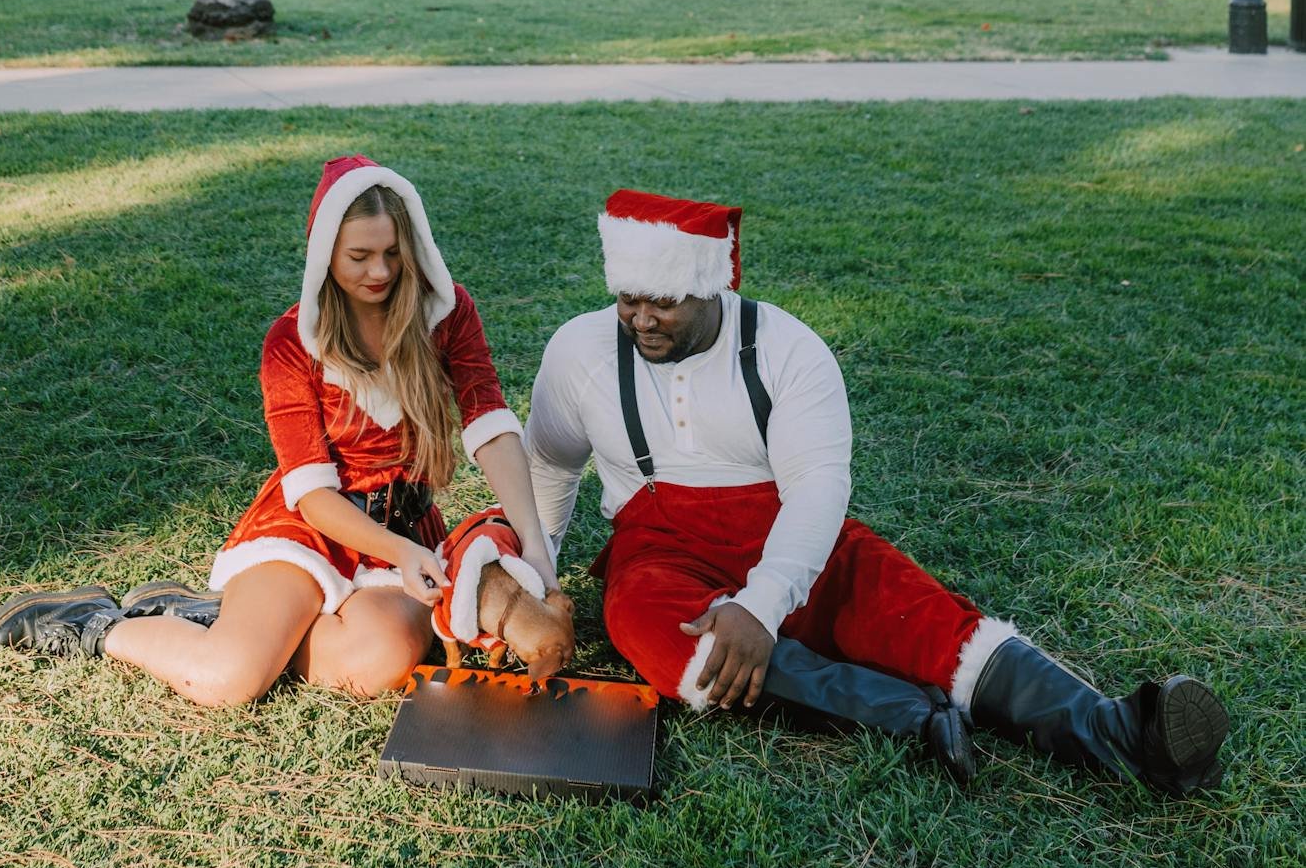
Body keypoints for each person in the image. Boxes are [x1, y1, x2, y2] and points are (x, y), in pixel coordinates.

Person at [524, 187, 1230, 795]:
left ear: (710, 286)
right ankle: (909, 715)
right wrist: (539, 576)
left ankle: (1115, 733)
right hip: (659, 551)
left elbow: (817, 491)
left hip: (789, 532)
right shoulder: (579, 352)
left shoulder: (787, 350)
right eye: (627, 300)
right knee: (647, 626)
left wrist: (761, 605)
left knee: (920, 617)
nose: (641, 319)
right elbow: (550, 466)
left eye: (664, 303)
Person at [0, 157, 558, 707]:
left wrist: (534, 544)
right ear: (324, 253)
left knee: (380, 662)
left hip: (406, 528)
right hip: (313, 527)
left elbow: (491, 425)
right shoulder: (291, 343)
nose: (379, 272)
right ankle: (97, 625)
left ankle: (225, 621)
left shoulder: (447, 313)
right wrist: (402, 553)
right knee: (229, 680)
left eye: (392, 253)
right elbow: (310, 493)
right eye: (359, 255)